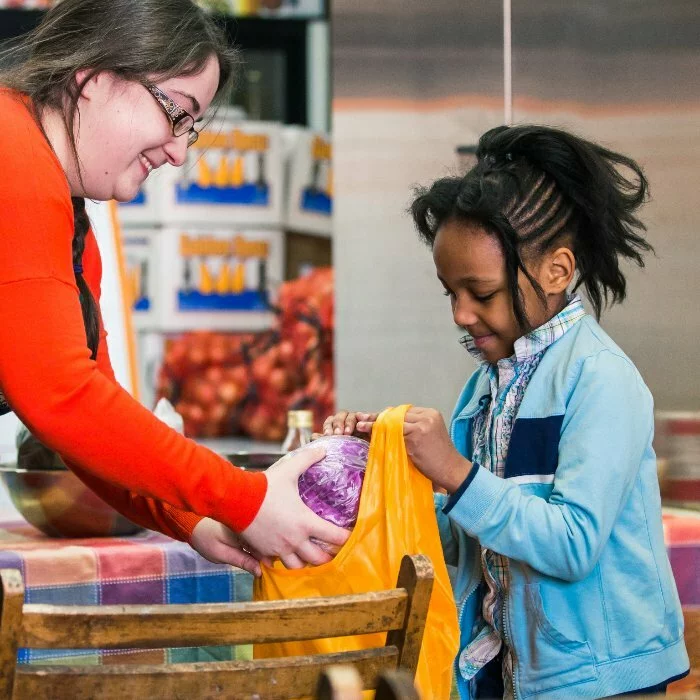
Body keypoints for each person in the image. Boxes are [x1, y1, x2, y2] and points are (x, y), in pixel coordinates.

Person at [325, 125, 689, 698]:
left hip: (597, 681)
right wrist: (384, 470)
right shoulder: (485, 389)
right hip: (506, 669)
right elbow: (470, 536)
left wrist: (454, 472)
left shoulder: (601, 379)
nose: (460, 314)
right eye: (450, 292)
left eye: (482, 293)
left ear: (558, 271)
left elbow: (571, 545)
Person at [0, 0, 348, 577]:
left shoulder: (66, 207)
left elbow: (89, 421)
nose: (179, 151)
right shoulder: (16, 162)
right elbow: (61, 398)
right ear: (93, 79)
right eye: (176, 112)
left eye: (192, 128)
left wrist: (195, 522)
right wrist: (244, 497)